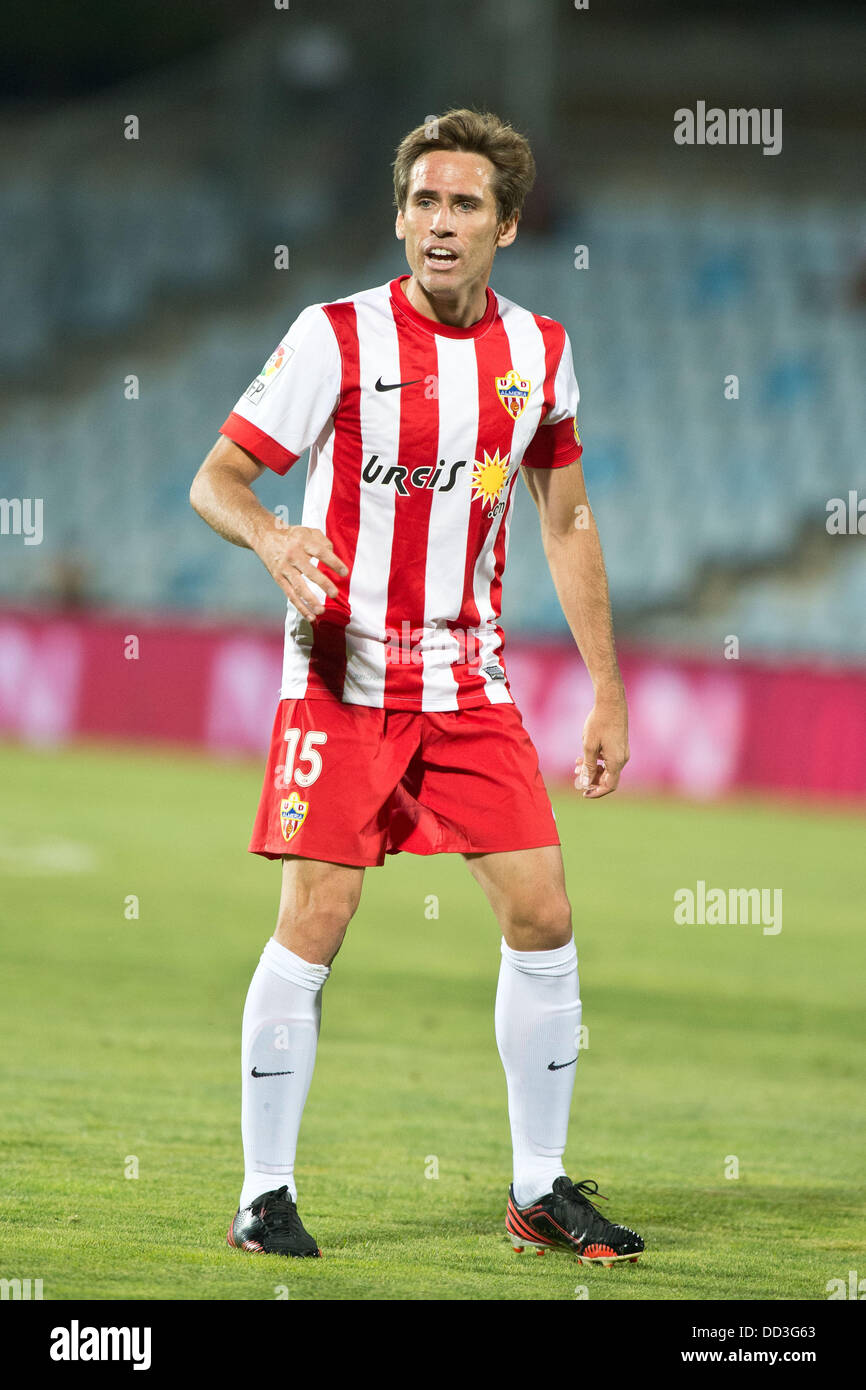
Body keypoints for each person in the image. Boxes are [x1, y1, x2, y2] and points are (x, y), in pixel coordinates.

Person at [190, 108, 644, 1266]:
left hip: (465, 680)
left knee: (542, 912)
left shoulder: (538, 351)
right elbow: (217, 478)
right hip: (340, 677)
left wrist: (605, 688)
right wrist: (271, 541)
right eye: (423, 203)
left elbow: (565, 518)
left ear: (506, 224)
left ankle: (538, 1189)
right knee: (317, 919)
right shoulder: (335, 334)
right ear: (398, 216)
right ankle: (263, 1194)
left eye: (465, 206)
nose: (440, 225)